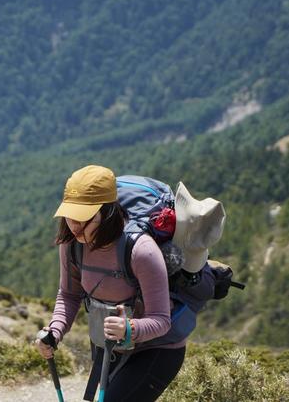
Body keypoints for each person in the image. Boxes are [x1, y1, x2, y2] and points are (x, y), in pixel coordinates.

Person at [35, 165, 184, 401]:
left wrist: (130, 329)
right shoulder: (72, 244)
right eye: (70, 215)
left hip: (157, 349)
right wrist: (54, 331)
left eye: (83, 217)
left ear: (107, 212)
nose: (74, 225)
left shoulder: (141, 250)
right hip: (109, 345)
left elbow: (161, 320)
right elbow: (69, 294)